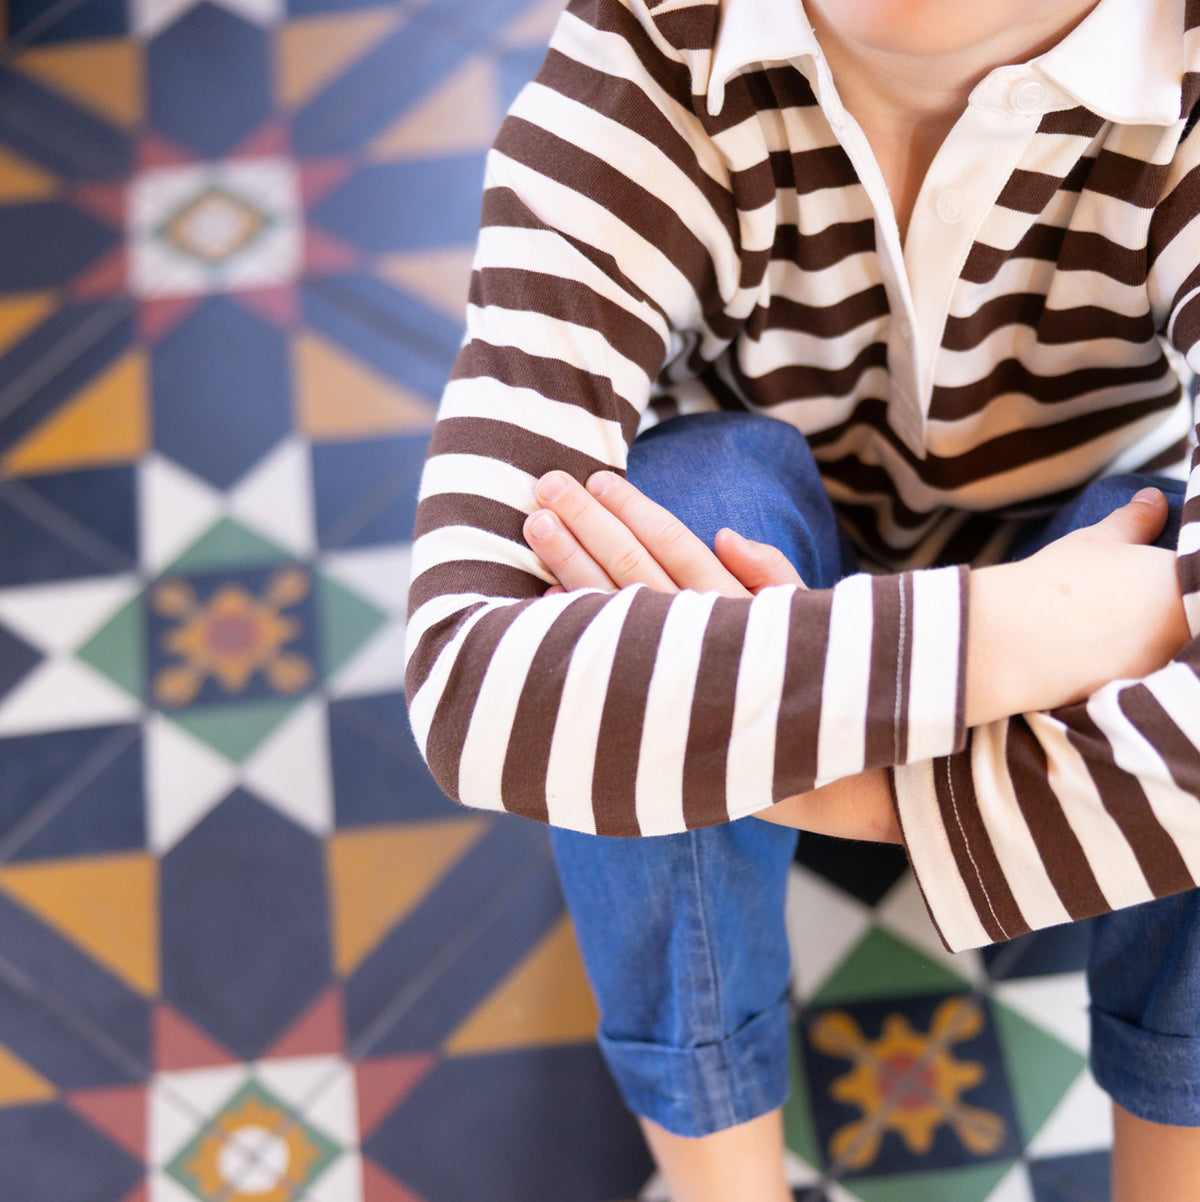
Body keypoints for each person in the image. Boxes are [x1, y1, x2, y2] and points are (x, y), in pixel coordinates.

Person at [404, 0, 1200, 1197]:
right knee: (668, 514)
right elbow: (469, 683)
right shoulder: (656, 50)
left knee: (1170, 556)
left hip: (937, 636)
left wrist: (811, 768)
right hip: (982, 635)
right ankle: (726, 1177)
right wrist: (1027, 632)